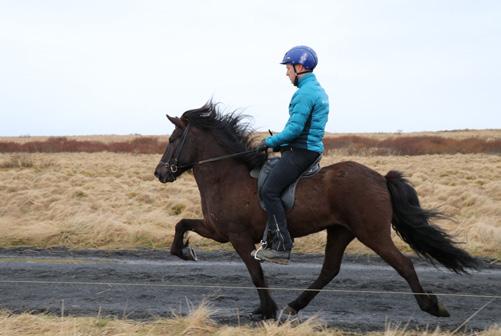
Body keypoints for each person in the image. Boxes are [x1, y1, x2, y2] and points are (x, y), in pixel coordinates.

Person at [252, 45, 330, 264]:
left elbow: (294, 130)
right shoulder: (316, 90)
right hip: (308, 149)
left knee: (269, 191)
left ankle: (281, 245)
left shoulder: (304, 93)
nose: (286, 73)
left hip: (302, 151)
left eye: (288, 68)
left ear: (300, 67)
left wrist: (268, 142)